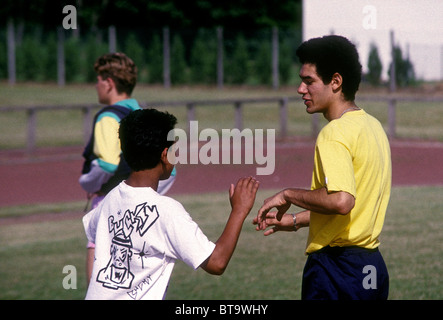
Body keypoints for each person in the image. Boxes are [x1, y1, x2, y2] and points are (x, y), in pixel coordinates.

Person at [254, 35, 391, 300]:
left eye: (309, 81)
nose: (300, 89)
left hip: (336, 269)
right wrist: (294, 221)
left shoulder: (335, 132)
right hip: (371, 266)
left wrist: (287, 194)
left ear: (336, 82)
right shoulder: (373, 127)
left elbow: (341, 201)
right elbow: (354, 208)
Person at [83, 108, 259, 300]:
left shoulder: (110, 199)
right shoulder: (166, 211)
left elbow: (94, 233)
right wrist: (239, 211)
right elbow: (216, 262)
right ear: (165, 155)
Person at [79, 53, 176, 283]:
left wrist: (86, 182)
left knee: (101, 278)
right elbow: (170, 169)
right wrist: (147, 197)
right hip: (147, 212)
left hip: (109, 205)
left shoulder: (107, 117)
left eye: (99, 79)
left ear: (109, 83)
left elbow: (106, 164)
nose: (96, 85)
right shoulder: (146, 117)